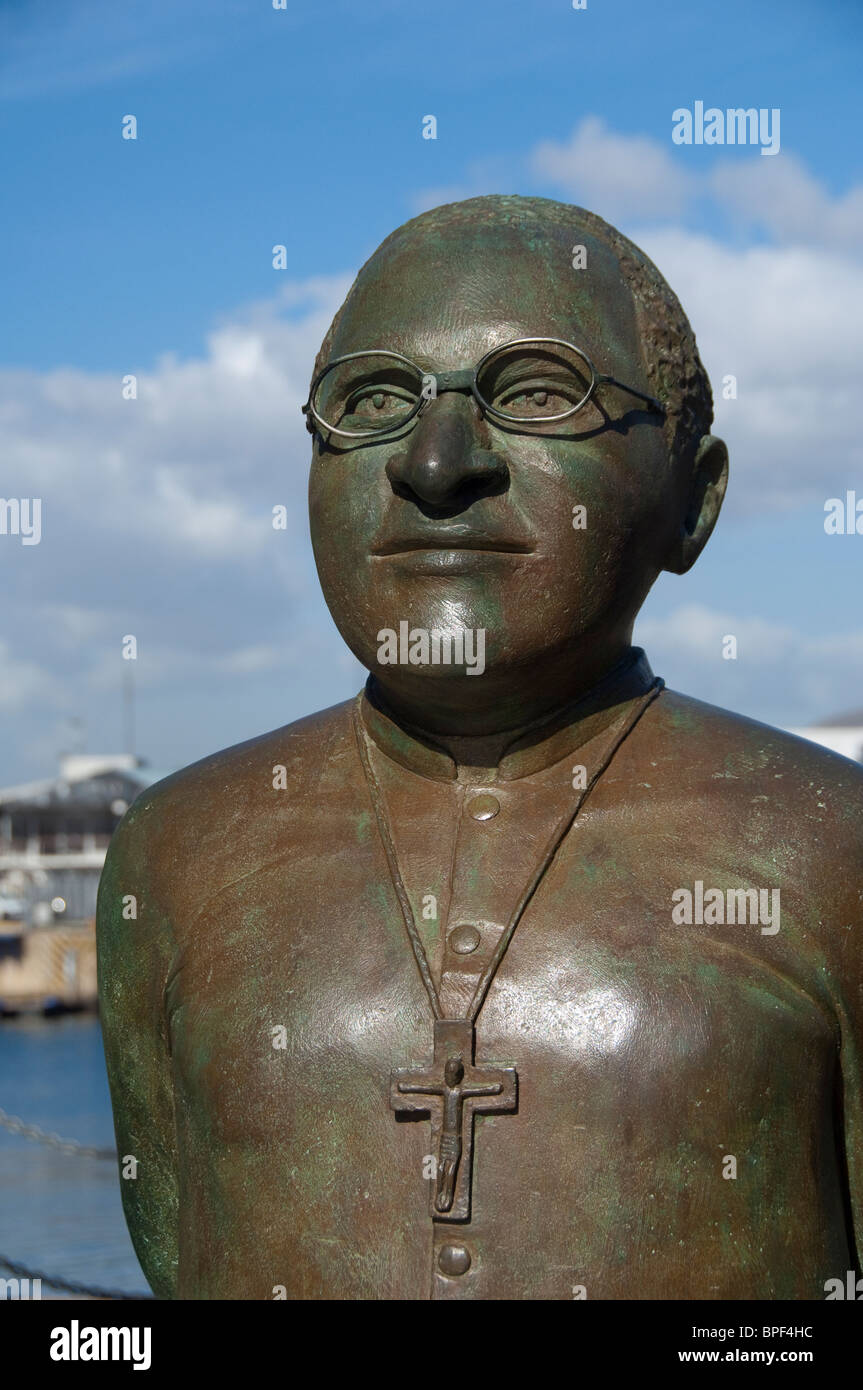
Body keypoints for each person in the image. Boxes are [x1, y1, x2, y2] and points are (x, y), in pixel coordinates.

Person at [98, 195, 863, 1300]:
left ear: (690, 505)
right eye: (370, 400)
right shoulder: (173, 856)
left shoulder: (831, 850)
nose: (435, 460)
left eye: (537, 392)